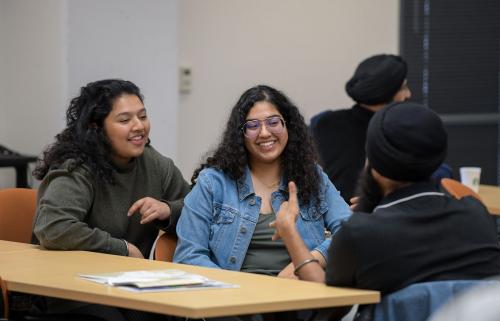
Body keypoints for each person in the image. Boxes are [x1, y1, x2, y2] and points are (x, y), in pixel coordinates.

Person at [273, 102, 500, 319]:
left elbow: (328, 301)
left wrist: (289, 233)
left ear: (375, 168)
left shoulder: (361, 233)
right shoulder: (477, 214)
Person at [30, 79, 190, 321]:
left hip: (128, 286)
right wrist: (122, 249)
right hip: (70, 289)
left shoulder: (155, 163)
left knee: (169, 314)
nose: (139, 126)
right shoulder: (78, 167)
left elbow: (201, 209)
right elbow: (53, 226)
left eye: (143, 116)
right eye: (125, 120)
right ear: (97, 127)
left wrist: (168, 209)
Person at [173, 85, 351, 280]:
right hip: (234, 300)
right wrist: (239, 288)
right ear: (240, 134)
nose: (264, 133)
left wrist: (306, 262)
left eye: (273, 122)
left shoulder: (311, 176)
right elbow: (188, 256)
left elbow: (349, 230)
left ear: (287, 125)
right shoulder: (213, 182)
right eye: (252, 125)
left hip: (301, 295)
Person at [310, 54, 411, 203]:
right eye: (403, 88)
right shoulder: (395, 134)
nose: (408, 94)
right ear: (387, 93)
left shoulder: (325, 122)